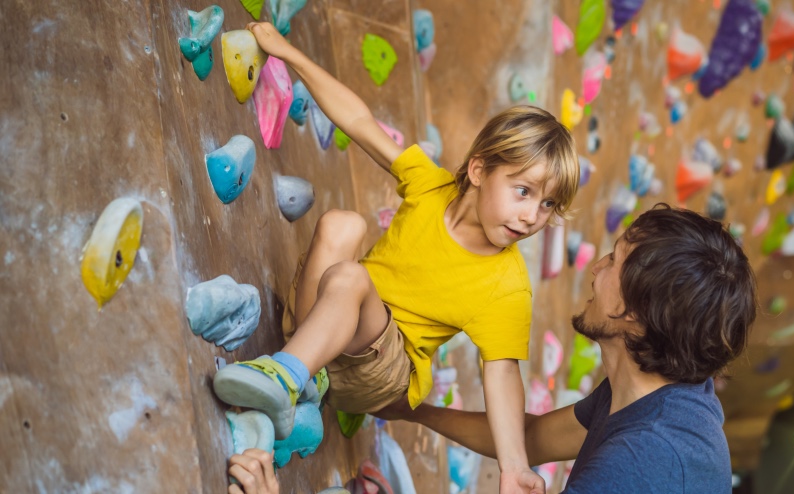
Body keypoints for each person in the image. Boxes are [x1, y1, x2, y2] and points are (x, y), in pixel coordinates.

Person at [212, 22, 580, 494]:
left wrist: (513, 466)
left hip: (380, 373)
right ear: (479, 170)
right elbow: (361, 122)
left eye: (547, 205)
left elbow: (504, 373)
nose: (532, 216)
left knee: (350, 278)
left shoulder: (506, 285)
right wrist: (288, 54)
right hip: (326, 325)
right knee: (341, 225)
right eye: (524, 191)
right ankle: (300, 371)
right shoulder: (431, 187)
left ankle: (283, 376)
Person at [376, 204, 758, 493]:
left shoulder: (640, 460)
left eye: (614, 260)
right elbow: (528, 439)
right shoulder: (660, 393)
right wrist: (414, 412)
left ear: (637, 316)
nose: (596, 267)